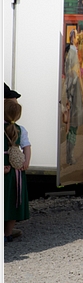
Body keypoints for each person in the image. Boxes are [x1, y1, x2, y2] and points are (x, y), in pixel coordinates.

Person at [5, 85, 30, 242]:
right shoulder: (21, 129)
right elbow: (27, 147)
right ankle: (7, 234)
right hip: (17, 171)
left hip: (5, 168)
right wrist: (26, 162)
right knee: (14, 200)